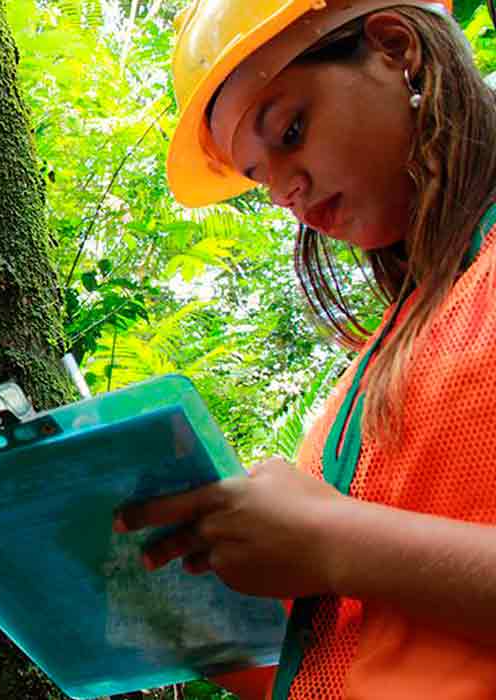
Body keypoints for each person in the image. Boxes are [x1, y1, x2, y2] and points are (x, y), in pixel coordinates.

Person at [114, 1, 496, 699]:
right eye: (260, 179)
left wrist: (332, 542)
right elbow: (356, 652)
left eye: (291, 130)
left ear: (395, 48)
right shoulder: (373, 369)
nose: (287, 191)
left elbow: (350, 556)